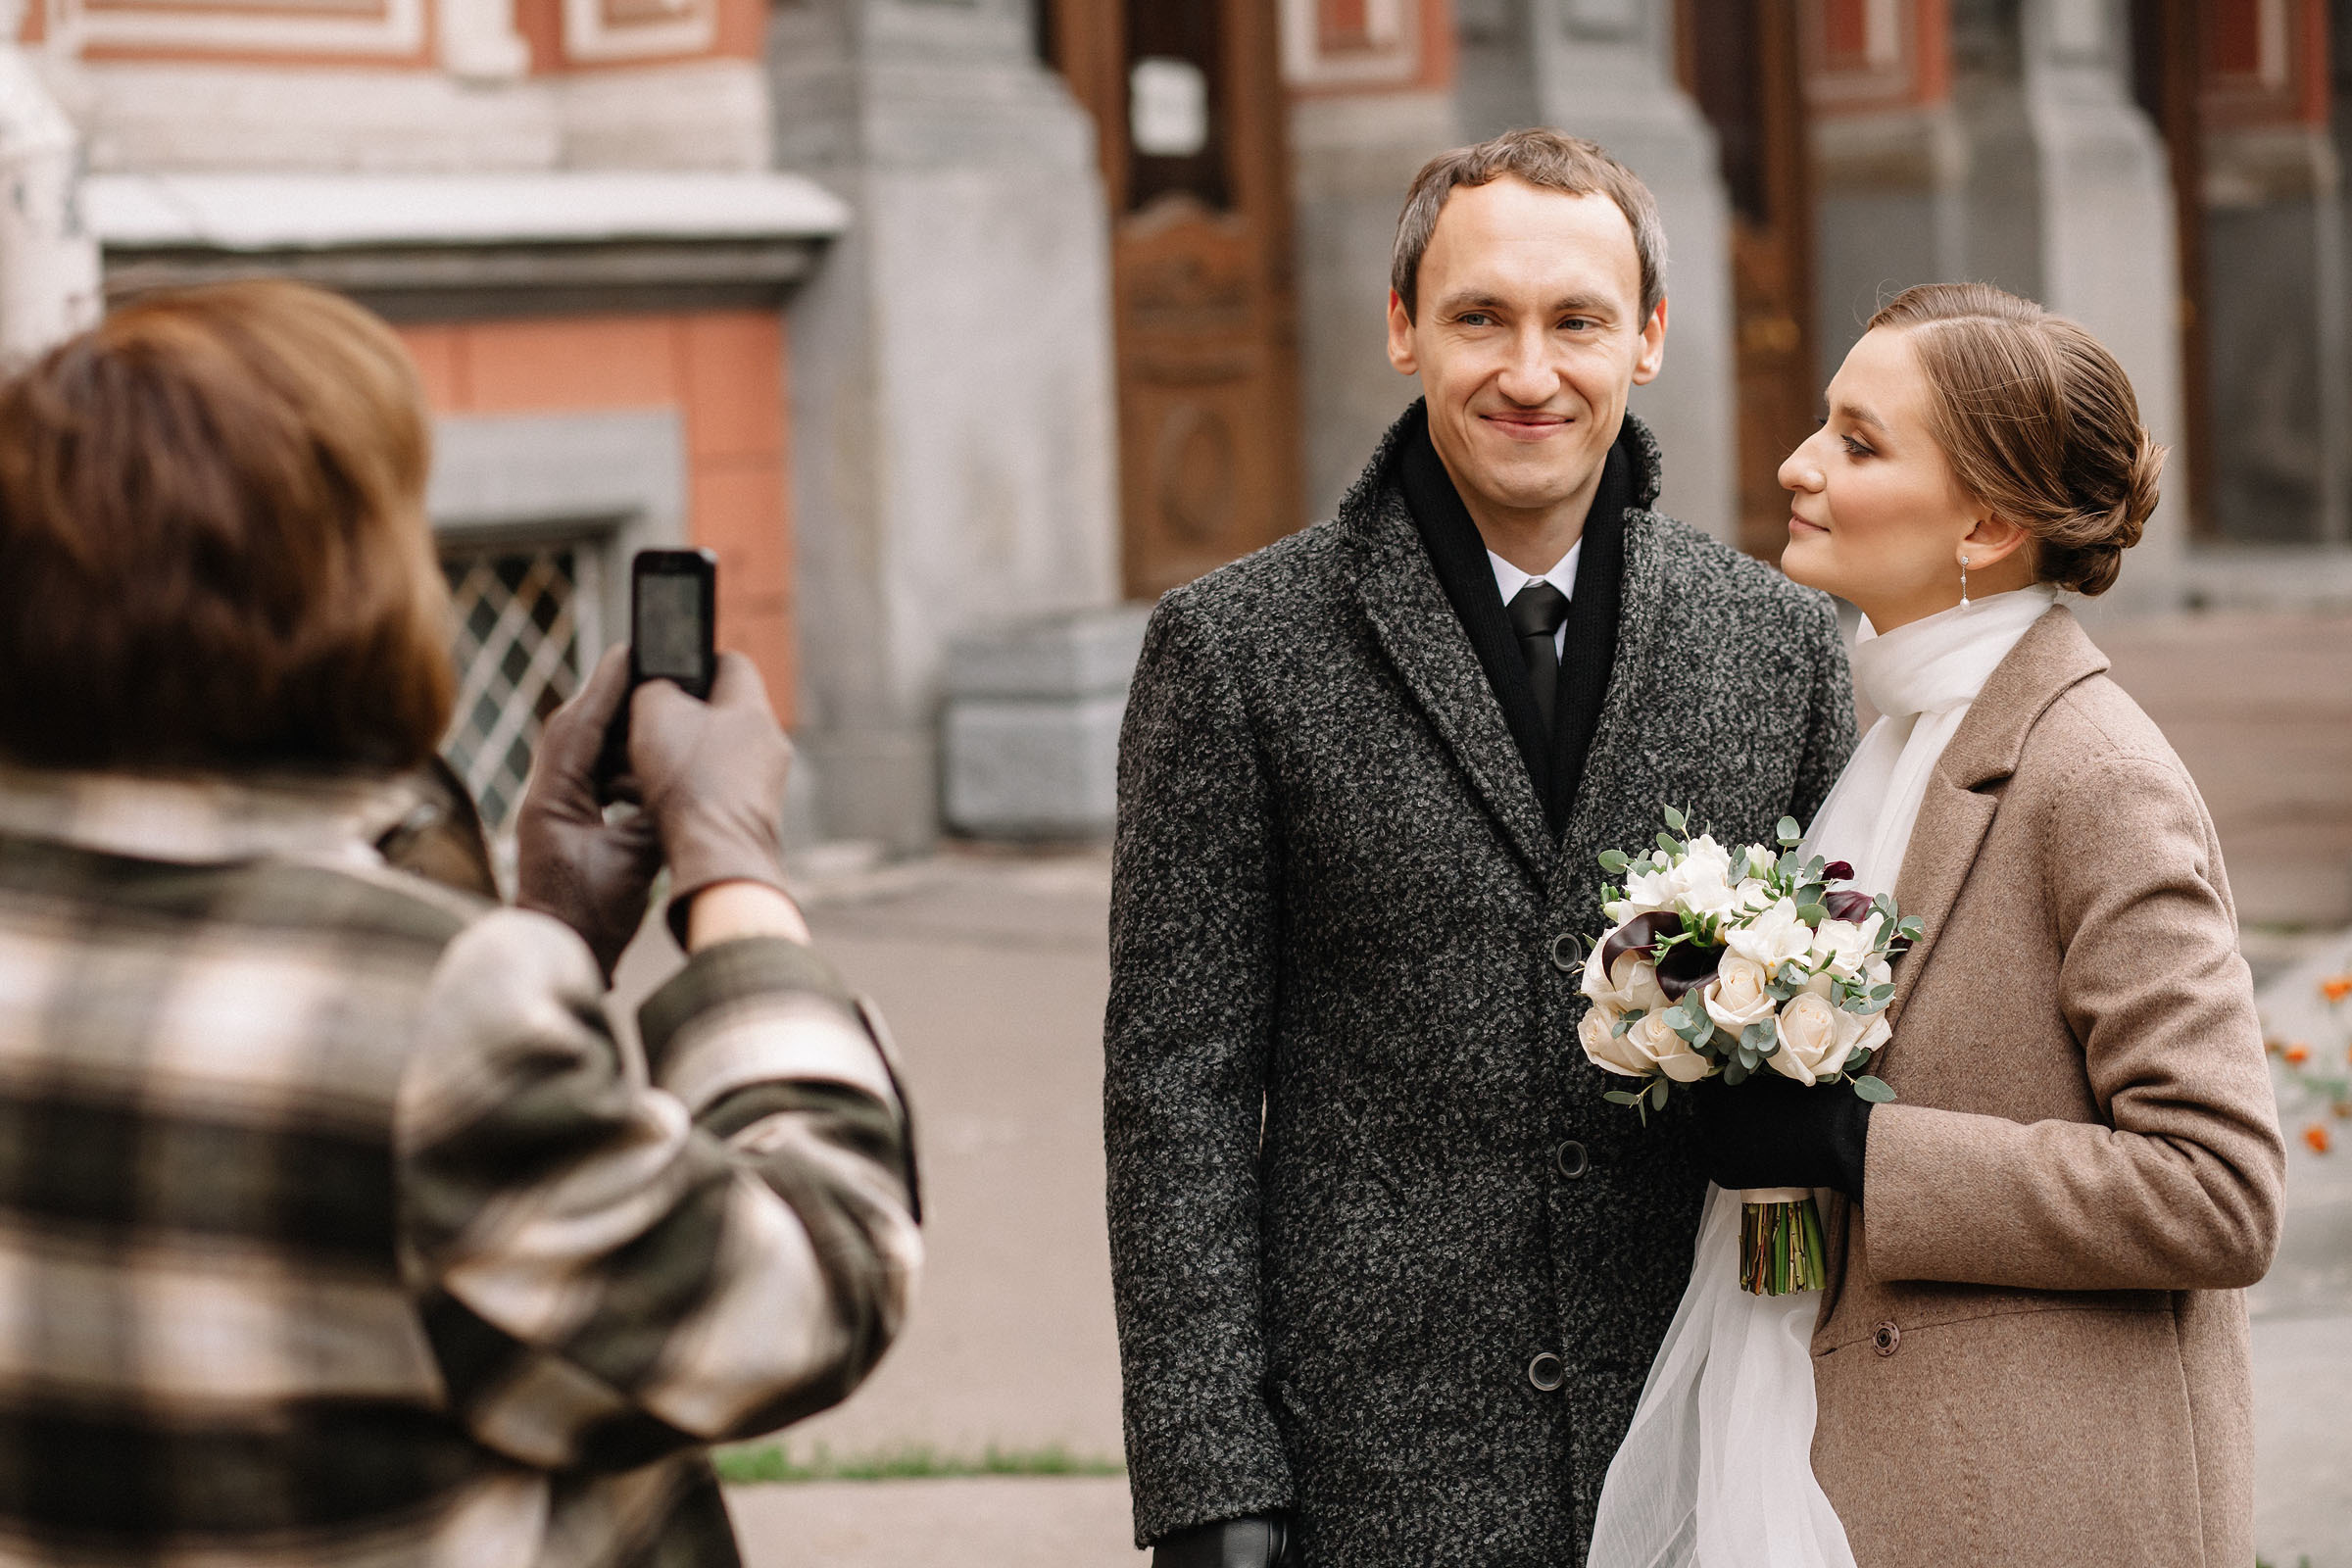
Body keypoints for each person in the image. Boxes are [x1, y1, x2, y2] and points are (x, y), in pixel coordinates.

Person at [0, 279, 922, 1565]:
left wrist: (548, 927)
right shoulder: (430, 1021)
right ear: (347, 584)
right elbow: (815, 1281)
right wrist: (730, 862)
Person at [1103, 128, 1856, 1567]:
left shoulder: (1776, 645)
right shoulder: (1234, 652)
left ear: (1647, 339)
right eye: (1478, 318)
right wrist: (1210, 1480)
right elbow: (1175, 1093)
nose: (1528, 372)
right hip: (1373, 1470)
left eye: (1577, 321)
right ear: (1403, 329)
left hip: (1704, 1452)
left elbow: (1829, 1064)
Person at [1592, 282, 2285, 1568]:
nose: (1798, 465)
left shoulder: (2093, 774)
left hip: (2030, 1504)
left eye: (1859, 444)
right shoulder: (1905, 736)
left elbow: (2220, 1192)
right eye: (1824, 423)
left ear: (1990, 525)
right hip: (1858, 1452)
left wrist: (1858, 1147)